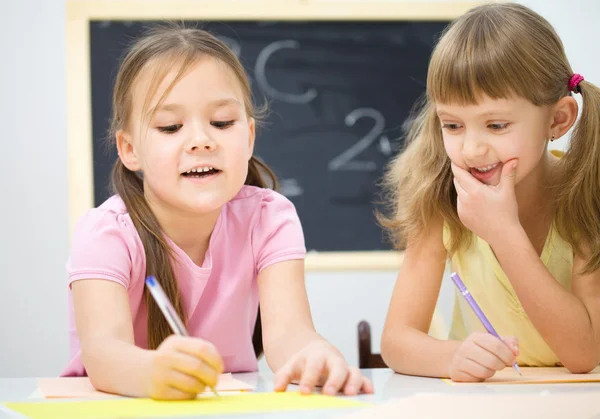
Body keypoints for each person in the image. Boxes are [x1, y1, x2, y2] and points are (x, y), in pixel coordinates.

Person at [63, 24, 373, 399]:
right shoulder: (104, 234)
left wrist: (316, 357)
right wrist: (153, 372)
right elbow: (103, 354)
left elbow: (291, 335)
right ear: (129, 150)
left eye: (223, 122)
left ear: (250, 136)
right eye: (170, 126)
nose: (201, 141)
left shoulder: (270, 219)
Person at [380, 3, 600, 382]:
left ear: (558, 119)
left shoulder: (585, 194)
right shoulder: (442, 199)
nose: (471, 150)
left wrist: (504, 232)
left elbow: (583, 354)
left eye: (496, 125)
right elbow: (397, 341)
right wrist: (451, 357)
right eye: (452, 125)